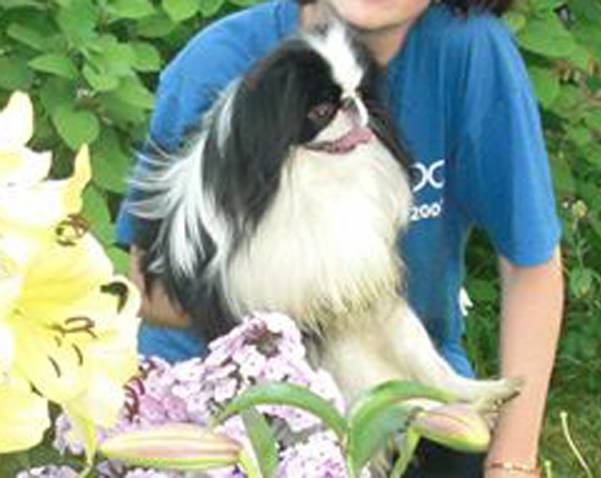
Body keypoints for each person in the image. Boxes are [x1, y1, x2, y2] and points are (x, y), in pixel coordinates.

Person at [116, 0, 564, 476]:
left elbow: (530, 265)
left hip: (405, 373)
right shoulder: (217, 61)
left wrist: (511, 463)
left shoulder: (468, 50)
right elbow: (148, 288)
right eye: (324, 110)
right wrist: (294, 305)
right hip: (212, 393)